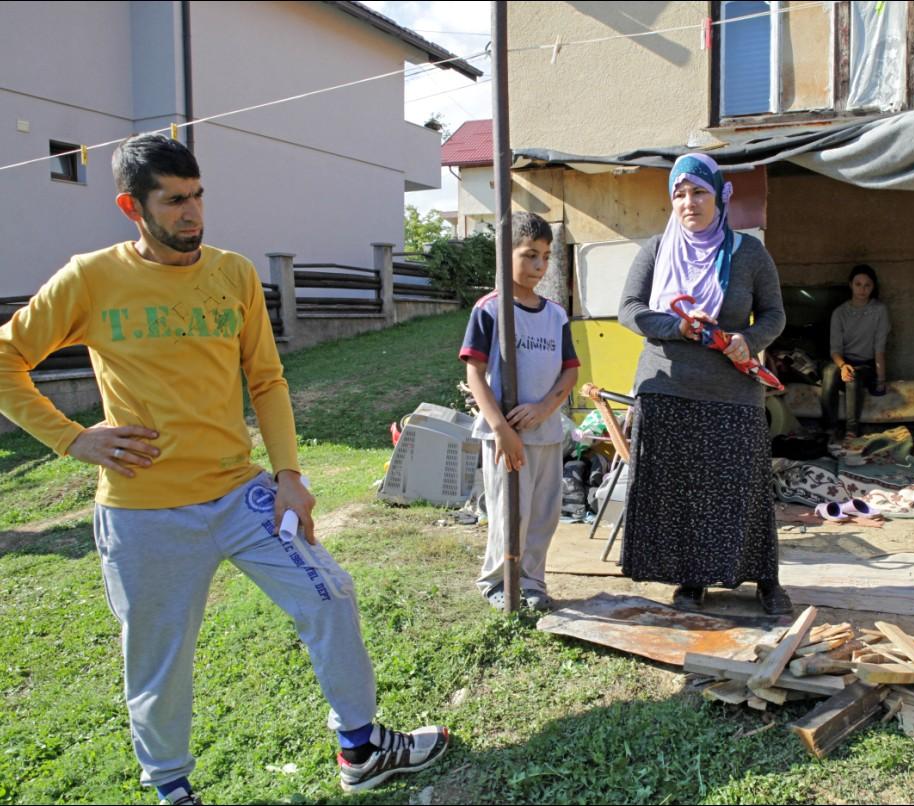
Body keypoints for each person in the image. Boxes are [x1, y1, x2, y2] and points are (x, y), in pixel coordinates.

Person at [0, 134, 450, 805]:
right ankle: (171, 788)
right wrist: (72, 440)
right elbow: (8, 360)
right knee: (158, 660)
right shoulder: (90, 278)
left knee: (330, 593)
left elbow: (265, 380)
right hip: (141, 513)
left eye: (199, 195)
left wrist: (290, 474)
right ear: (132, 205)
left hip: (241, 495)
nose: (193, 213)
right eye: (175, 201)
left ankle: (359, 748)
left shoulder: (234, 274)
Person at [618, 152, 791, 615]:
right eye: (679, 194)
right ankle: (690, 581)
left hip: (733, 389)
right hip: (668, 386)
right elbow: (630, 310)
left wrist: (748, 339)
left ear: (719, 197)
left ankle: (766, 580)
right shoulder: (656, 250)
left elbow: (775, 313)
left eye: (699, 192)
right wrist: (678, 327)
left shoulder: (748, 252)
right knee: (682, 490)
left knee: (745, 488)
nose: (688, 202)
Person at [460, 212, 579, 612]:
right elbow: (474, 372)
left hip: (546, 433)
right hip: (506, 438)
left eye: (545, 256)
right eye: (529, 255)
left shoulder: (556, 314)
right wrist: (501, 429)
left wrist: (547, 407)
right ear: (505, 254)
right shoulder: (491, 310)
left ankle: (532, 582)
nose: (539, 266)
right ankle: (498, 581)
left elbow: (570, 369)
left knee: (544, 514)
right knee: (511, 511)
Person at [821, 264, 890, 439]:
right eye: (858, 284)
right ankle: (830, 429)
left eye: (867, 285)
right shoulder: (840, 313)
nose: (862, 289)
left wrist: (881, 380)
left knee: (854, 377)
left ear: (873, 287)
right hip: (842, 361)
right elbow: (835, 350)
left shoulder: (879, 311)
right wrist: (843, 366)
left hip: (866, 365)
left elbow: (879, 349)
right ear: (850, 285)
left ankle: (851, 430)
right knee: (829, 372)